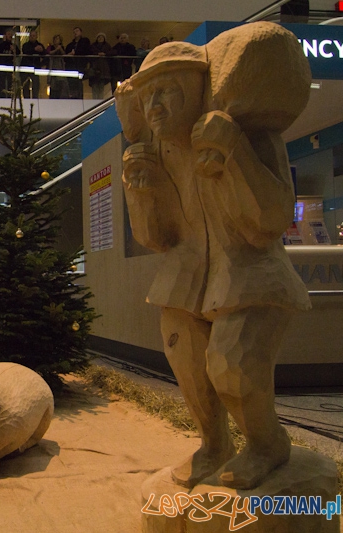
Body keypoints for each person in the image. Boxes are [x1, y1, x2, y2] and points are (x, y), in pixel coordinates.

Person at [116, 40, 310, 490]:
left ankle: (266, 444)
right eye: (147, 96)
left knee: (232, 364)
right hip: (187, 278)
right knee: (184, 353)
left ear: (198, 87)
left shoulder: (249, 133)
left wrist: (234, 151)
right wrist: (140, 189)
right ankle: (213, 444)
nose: (154, 106)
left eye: (166, 91)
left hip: (251, 275)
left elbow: (271, 220)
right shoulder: (160, 151)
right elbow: (156, 238)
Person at [65, 26, 91, 99]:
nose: (75, 33)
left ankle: (79, 97)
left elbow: (85, 51)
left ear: (81, 32)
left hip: (80, 66)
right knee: (72, 83)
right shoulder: (70, 45)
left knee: (78, 83)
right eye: (74, 32)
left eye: (77, 31)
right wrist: (69, 54)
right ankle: (72, 97)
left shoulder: (85, 41)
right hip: (71, 67)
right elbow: (65, 57)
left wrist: (75, 53)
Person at [21, 29, 46, 98]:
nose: (32, 37)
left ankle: (35, 99)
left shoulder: (40, 45)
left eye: (34, 36)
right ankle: (26, 100)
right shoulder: (25, 45)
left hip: (35, 68)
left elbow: (45, 55)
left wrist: (42, 51)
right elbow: (25, 51)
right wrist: (35, 50)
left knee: (36, 85)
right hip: (25, 68)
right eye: (31, 36)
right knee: (25, 86)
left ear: (36, 36)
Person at [88, 32, 111, 99]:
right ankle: (95, 101)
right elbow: (89, 53)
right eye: (99, 37)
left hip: (103, 70)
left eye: (102, 37)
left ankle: (100, 100)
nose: (100, 38)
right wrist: (97, 54)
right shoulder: (92, 46)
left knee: (101, 87)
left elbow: (112, 52)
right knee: (95, 87)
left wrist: (105, 54)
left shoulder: (107, 46)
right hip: (94, 68)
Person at [0, 28, 18, 96]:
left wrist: (14, 50)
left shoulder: (13, 45)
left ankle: (10, 96)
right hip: (2, 66)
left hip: (10, 66)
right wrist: (4, 42)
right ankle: (2, 96)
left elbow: (18, 53)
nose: (10, 36)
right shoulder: (1, 45)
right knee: (1, 83)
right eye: (8, 34)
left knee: (10, 82)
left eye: (11, 34)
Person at [46, 34, 68, 99]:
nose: (56, 40)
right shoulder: (50, 47)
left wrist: (60, 48)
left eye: (57, 39)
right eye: (55, 39)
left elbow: (64, 54)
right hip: (52, 67)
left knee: (60, 85)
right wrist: (56, 49)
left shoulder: (62, 47)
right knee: (53, 86)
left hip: (60, 68)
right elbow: (49, 53)